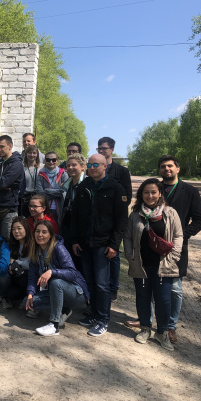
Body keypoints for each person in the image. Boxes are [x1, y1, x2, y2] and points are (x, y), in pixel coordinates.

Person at [125, 155, 201, 344]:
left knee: (174, 290)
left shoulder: (190, 191)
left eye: (170, 166)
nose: (167, 169)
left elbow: (200, 220)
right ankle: (146, 322)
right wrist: (131, 255)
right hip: (147, 254)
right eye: (163, 166)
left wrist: (178, 239)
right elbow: (130, 234)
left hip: (173, 251)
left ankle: (170, 326)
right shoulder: (154, 188)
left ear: (178, 168)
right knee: (146, 290)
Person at [71, 153, 128, 337]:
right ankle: (94, 314)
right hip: (85, 243)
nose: (92, 168)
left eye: (96, 164)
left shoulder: (115, 188)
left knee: (102, 284)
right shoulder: (83, 187)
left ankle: (103, 320)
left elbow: (121, 220)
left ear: (105, 166)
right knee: (89, 281)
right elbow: (75, 216)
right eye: (90, 165)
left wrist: (114, 245)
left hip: (103, 244)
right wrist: (75, 240)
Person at [124, 178, 183, 351]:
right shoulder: (135, 215)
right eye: (146, 192)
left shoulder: (170, 213)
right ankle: (145, 328)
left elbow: (178, 236)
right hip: (141, 265)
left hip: (164, 265)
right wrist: (130, 256)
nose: (150, 196)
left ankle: (162, 332)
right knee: (143, 297)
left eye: (153, 192)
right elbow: (127, 237)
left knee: (163, 300)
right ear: (141, 194)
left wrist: (174, 256)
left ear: (159, 194)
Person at [27, 220, 90, 337]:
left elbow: (72, 273)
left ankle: (54, 325)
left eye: (44, 232)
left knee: (56, 282)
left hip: (76, 292)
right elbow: (32, 276)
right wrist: (30, 293)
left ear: (51, 235)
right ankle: (65, 310)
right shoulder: (35, 250)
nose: (40, 235)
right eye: (37, 231)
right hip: (54, 291)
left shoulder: (58, 248)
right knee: (29, 303)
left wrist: (52, 272)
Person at [97, 136, 132, 301]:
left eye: (104, 148)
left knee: (114, 253)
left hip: (114, 219)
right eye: (99, 148)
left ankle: (113, 287)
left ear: (111, 149)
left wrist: (116, 210)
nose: (101, 151)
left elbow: (127, 196)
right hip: (98, 219)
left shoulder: (121, 171)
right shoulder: (95, 168)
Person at [0, 135, 25, 241]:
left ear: (10, 146)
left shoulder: (17, 164)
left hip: (8, 209)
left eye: (2, 146)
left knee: (7, 240)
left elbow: (4, 182)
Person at [60, 153, 86, 272]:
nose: (70, 168)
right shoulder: (66, 184)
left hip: (81, 229)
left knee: (81, 263)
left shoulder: (87, 184)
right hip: (67, 226)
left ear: (83, 166)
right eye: (68, 165)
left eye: (74, 165)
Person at [36, 151, 68, 227]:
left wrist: (47, 190)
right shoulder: (40, 175)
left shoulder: (63, 174)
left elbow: (65, 192)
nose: (51, 162)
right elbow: (40, 193)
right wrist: (58, 191)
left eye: (53, 160)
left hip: (60, 208)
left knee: (59, 230)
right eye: (48, 160)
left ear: (57, 161)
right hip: (45, 208)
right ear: (44, 161)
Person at [7, 217, 31, 305]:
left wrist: (15, 263)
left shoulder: (32, 244)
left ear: (26, 228)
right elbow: (9, 259)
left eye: (19, 228)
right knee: (10, 294)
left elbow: (30, 264)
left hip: (28, 277)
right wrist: (11, 264)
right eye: (13, 229)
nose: (16, 231)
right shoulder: (12, 244)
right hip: (16, 275)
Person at [21, 144, 40, 217]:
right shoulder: (22, 167)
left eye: (34, 153)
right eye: (30, 153)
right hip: (25, 197)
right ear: (26, 154)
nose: (32, 155)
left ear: (37, 155)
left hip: (37, 197)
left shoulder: (41, 167)